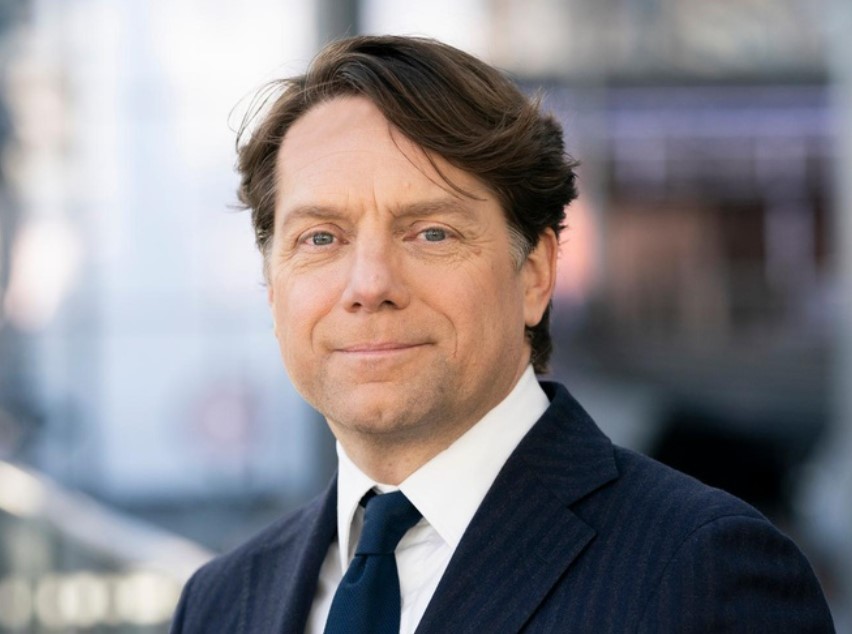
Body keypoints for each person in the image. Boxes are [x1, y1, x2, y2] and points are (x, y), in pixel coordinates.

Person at [171, 35, 834, 633]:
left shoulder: (704, 572)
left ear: (536, 273)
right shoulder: (221, 602)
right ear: (273, 285)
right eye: (321, 238)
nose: (369, 285)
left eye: (431, 233)